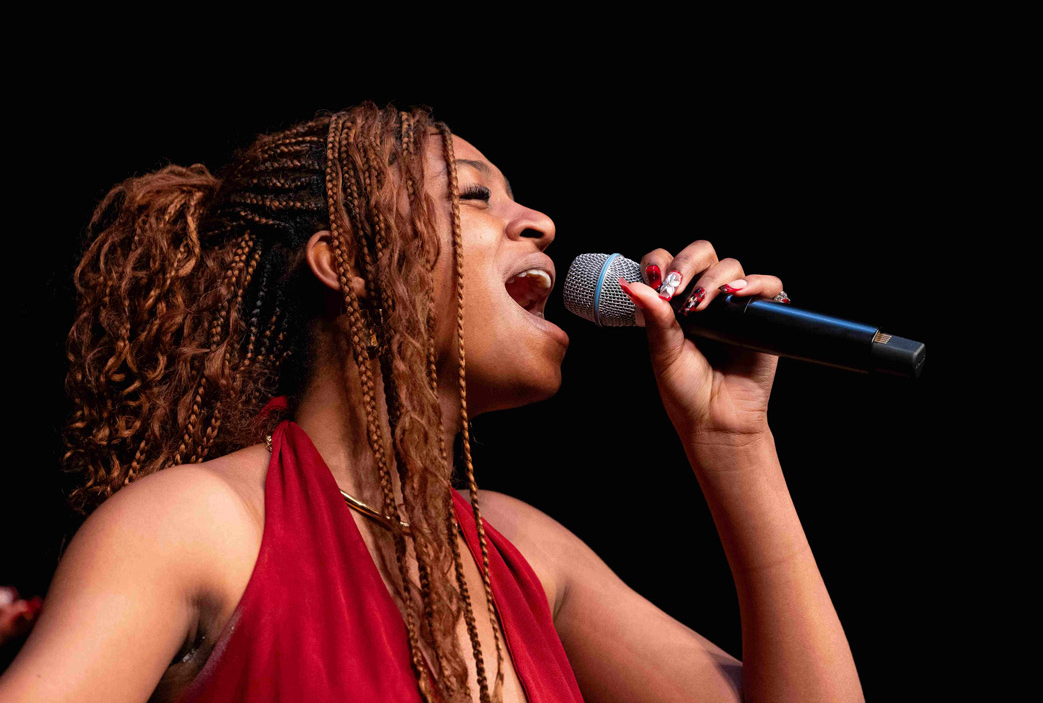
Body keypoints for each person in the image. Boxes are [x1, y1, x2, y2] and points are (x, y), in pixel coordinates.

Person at [0, 102, 864, 702]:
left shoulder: (520, 551)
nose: (541, 225)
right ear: (346, 263)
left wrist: (733, 442)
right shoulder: (198, 525)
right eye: (473, 194)